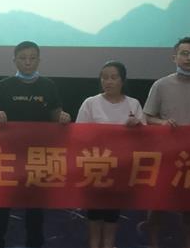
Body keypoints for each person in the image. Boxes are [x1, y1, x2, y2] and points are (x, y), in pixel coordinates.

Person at [0, 40, 70, 248]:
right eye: (23, 58)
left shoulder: (48, 86)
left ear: (39, 60)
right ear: (14, 60)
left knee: (35, 209)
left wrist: (63, 117)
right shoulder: (3, 86)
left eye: (32, 58)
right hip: (7, 156)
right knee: (1, 206)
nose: (28, 62)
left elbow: (56, 115)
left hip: (37, 157)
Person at [141, 36, 190, 248]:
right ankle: (153, 242)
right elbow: (147, 117)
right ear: (174, 57)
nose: (189, 58)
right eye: (184, 54)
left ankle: (189, 244)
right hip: (166, 154)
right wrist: (162, 123)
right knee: (158, 203)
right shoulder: (161, 85)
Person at [75, 61, 144, 248]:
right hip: (95, 166)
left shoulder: (133, 104)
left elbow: (145, 138)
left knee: (112, 215)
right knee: (94, 214)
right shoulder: (90, 103)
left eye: (113, 77)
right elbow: (78, 135)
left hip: (121, 168)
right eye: (104, 77)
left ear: (122, 80)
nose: (108, 81)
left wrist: (137, 126)